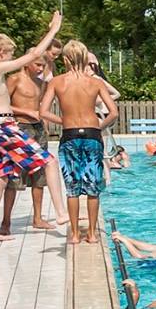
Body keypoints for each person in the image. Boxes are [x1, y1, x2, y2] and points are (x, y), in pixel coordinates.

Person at [0, 12, 68, 244]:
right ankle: (61, 213)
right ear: (2, 53)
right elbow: (34, 54)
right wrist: (53, 30)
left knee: (0, 179)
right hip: (4, 125)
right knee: (50, 162)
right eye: (10, 54)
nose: (11, 58)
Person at [42, 40, 118, 245]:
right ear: (85, 59)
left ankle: (75, 234)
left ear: (66, 59)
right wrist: (99, 127)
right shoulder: (95, 83)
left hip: (70, 136)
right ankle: (92, 234)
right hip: (92, 135)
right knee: (93, 188)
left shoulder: (57, 82)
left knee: (72, 188)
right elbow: (113, 112)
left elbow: (43, 112)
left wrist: (63, 121)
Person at [0, 49, 56, 235]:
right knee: (13, 177)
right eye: (38, 64)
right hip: (20, 128)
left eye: (43, 66)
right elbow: (2, 104)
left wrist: (43, 124)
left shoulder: (40, 83)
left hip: (37, 129)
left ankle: (38, 218)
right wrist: (27, 112)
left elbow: (41, 106)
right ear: (27, 63)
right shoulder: (14, 79)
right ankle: (5, 222)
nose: (40, 69)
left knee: (39, 176)